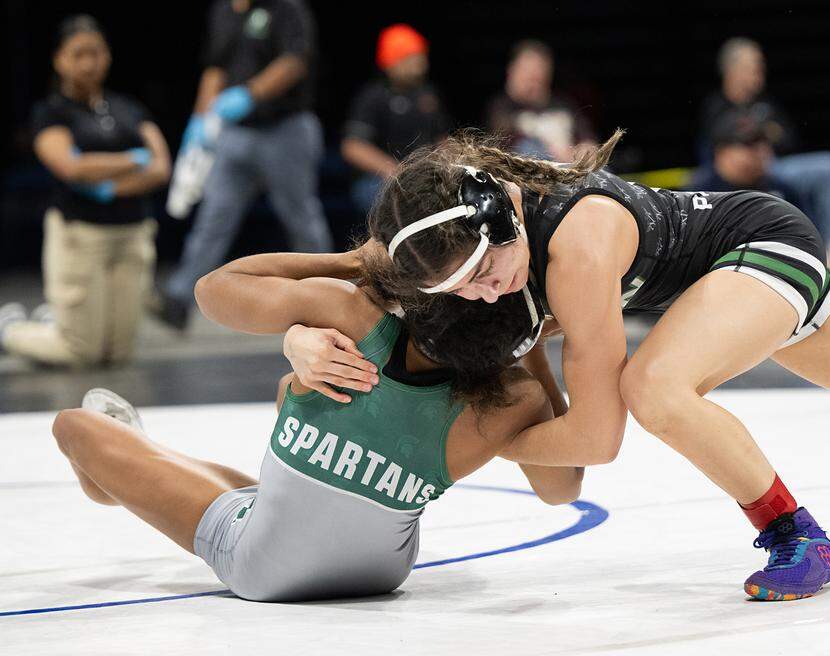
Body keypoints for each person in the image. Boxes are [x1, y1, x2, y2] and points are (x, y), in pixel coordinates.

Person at [282, 132, 830, 602]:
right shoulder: (456, 239)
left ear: (504, 218)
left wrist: (449, 437)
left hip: (761, 247)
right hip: (733, 272)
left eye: (483, 276)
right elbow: (223, 287)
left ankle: (793, 534)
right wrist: (297, 339)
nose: (478, 298)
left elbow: (599, 439)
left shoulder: (574, 253)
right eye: (459, 290)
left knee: (653, 386)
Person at [50, 243, 582, 602]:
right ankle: (155, 467)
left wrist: (356, 261)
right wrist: (531, 353)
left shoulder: (352, 316)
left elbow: (214, 288)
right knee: (289, 408)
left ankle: (118, 476)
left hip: (264, 566)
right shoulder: (516, 397)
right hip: (384, 570)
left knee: (73, 426)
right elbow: (562, 488)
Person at [0, 15, 170, 367]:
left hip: (131, 234)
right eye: (78, 54)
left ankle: (54, 321)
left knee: (119, 353)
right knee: (81, 352)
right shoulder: (51, 112)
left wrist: (106, 181)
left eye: (96, 53)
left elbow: (160, 166)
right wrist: (130, 159)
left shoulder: (127, 107)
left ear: (107, 56)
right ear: (59, 59)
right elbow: (70, 167)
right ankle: (10, 328)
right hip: (82, 235)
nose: (89, 63)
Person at [155, 0, 333, 330]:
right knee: (213, 217)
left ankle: (331, 294)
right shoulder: (223, 11)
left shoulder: (287, 8)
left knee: (301, 217)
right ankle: (180, 298)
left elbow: (295, 61)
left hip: (286, 128)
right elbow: (215, 69)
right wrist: (200, 118)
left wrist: (249, 94)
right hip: (235, 133)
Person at [700, 37, 830, 269]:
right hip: (736, 172)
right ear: (733, 70)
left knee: (828, 165)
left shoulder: (764, 103)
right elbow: (720, 145)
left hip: (772, 165)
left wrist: (763, 137)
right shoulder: (716, 105)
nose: (759, 72)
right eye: (753, 67)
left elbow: (787, 138)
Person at [341, 24, 451, 217]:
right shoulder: (372, 97)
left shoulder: (428, 95)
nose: (420, 63)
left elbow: (442, 140)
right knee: (405, 202)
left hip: (425, 177)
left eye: (420, 56)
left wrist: (449, 166)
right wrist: (396, 171)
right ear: (392, 61)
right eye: (411, 57)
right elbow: (352, 147)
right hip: (380, 180)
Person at [486, 40, 596, 161]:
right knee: (529, 147)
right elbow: (503, 136)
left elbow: (586, 137)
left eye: (538, 73)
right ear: (513, 71)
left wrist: (584, 149)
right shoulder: (501, 106)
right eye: (528, 72)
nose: (533, 79)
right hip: (532, 169)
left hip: (571, 166)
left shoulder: (563, 105)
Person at [687, 108, 796, 202]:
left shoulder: (779, 188)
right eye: (749, 144)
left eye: (764, 142)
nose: (761, 151)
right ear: (722, 153)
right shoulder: (699, 194)